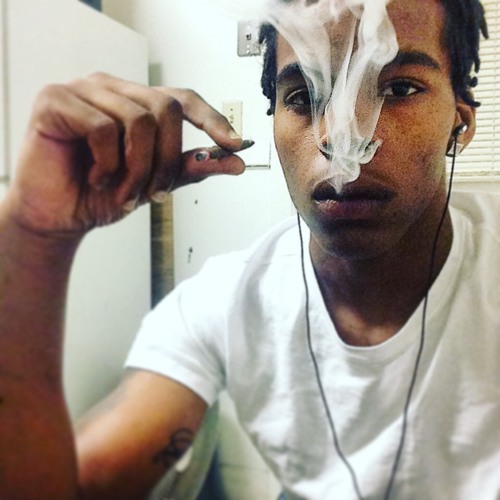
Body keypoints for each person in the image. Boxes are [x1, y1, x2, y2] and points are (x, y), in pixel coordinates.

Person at [0, 0, 496, 498]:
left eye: (399, 89)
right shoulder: (228, 302)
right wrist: (35, 234)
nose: (342, 140)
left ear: (461, 122)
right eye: (304, 96)